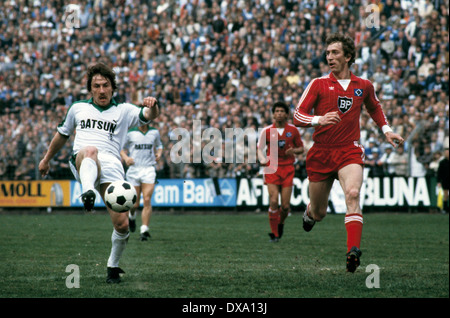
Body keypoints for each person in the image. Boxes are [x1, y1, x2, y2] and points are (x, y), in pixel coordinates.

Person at [38, 63, 160, 283]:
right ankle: (87, 193)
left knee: (122, 224)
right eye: (96, 86)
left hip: (111, 167)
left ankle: (113, 267)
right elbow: (62, 135)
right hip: (84, 160)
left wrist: (153, 105)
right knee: (90, 151)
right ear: (90, 89)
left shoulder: (124, 110)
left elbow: (149, 115)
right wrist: (46, 159)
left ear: (112, 88)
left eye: (105, 85)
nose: (101, 90)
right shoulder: (78, 108)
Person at [293, 33, 404, 272]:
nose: (329, 57)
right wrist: (319, 119)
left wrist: (387, 131)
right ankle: (310, 212)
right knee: (320, 212)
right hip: (321, 153)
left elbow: (375, 107)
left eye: (335, 53)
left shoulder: (363, 85)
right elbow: (297, 115)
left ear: (348, 56)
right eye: (327, 53)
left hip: (349, 151)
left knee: (353, 193)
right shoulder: (318, 84)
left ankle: (352, 251)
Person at [258, 101, 304, 242]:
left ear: (286, 114)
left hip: (287, 168)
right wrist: (262, 159)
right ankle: (275, 233)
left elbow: (301, 148)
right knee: (273, 201)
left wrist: (294, 151)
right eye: (276, 111)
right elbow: (259, 149)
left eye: (282, 111)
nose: (279, 113)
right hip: (272, 168)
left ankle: (281, 223)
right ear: (273, 114)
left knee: (285, 206)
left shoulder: (293, 130)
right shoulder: (266, 131)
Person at [120, 124, 163, 241]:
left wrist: (159, 153)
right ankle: (132, 216)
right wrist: (126, 158)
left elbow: (159, 145)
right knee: (135, 204)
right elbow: (120, 148)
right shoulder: (130, 133)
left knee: (147, 199)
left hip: (149, 169)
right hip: (134, 170)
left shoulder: (154, 132)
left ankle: (144, 230)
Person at [437, 146, 449, 213]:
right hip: (445, 180)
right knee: (445, 195)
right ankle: (445, 208)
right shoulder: (442, 162)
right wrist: (438, 181)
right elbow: (439, 172)